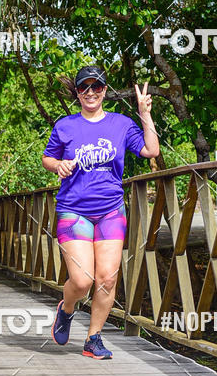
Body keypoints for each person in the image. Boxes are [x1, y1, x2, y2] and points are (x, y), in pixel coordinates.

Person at [42, 65, 159, 359]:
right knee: (82, 281)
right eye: (84, 87)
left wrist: (145, 115)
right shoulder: (65, 125)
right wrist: (58, 166)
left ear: (105, 90)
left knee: (107, 278)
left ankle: (93, 339)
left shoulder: (120, 124)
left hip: (110, 211)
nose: (91, 92)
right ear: (77, 93)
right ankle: (66, 308)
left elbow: (151, 150)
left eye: (97, 87)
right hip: (73, 210)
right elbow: (47, 157)